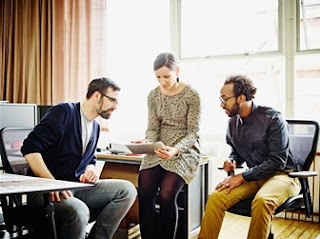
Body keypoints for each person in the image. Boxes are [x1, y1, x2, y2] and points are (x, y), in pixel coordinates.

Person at [21, 77, 137, 239]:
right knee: (79, 209)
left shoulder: (95, 126)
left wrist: (89, 170)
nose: (115, 107)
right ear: (97, 96)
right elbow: (30, 147)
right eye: (112, 100)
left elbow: (91, 159)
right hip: (45, 191)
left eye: (117, 102)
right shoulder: (64, 112)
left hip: (74, 186)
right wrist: (52, 183)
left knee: (127, 190)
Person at [198, 75, 301, 239]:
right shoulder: (232, 123)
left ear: (240, 98)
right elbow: (237, 152)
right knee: (216, 197)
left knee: (262, 201)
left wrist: (242, 177)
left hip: (282, 175)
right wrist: (233, 160)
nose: (221, 104)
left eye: (224, 99)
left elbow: (277, 161)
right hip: (253, 176)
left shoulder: (273, 118)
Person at [133, 52, 201, 239]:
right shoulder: (153, 96)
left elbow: (193, 132)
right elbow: (153, 128)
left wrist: (176, 149)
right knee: (145, 191)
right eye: (158, 77)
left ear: (177, 70)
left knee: (166, 194)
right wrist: (147, 142)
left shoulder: (192, 95)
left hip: (184, 149)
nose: (162, 81)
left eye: (166, 76)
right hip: (159, 147)